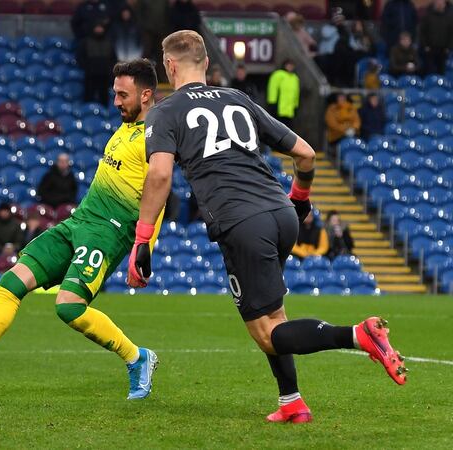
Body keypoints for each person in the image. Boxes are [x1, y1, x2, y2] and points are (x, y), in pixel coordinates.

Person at [131, 30, 406, 424]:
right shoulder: (238, 99)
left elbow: (159, 176)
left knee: (266, 332)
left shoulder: (165, 110)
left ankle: (358, 335)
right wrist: (300, 200)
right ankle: (291, 401)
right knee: (273, 313)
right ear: (206, 63)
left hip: (241, 221)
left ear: (169, 66)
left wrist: (142, 239)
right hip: (280, 212)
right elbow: (306, 154)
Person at [0, 59, 164, 399]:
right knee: (12, 281)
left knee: (69, 306)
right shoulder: (125, 129)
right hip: (79, 222)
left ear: (146, 95)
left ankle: (137, 357)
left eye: (122, 95)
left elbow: (160, 195)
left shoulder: (155, 139)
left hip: (108, 232)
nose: (115, 102)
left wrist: (144, 249)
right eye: (114, 94)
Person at [77, 23, 117, 105]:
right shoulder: (86, 42)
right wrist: (87, 67)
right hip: (90, 74)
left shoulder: (109, 42)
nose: (99, 30)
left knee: (104, 98)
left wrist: (109, 69)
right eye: (97, 27)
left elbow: (113, 59)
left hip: (104, 75)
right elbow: (80, 57)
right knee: (89, 97)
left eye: (101, 27)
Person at [136, 0, 171, 80]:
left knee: (161, 54)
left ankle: (162, 77)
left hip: (161, 30)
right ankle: (142, 76)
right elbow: (139, 14)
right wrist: (142, 27)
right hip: (147, 31)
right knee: (146, 53)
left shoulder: (164, 2)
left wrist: (167, 30)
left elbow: (167, 14)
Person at [419, 0, 453, 75]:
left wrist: (449, 47)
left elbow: (451, 34)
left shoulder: (449, 18)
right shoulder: (428, 16)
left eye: (441, 3)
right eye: (438, 3)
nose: (439, 5)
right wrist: (425, 46)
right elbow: (422, 32)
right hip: (430, 49)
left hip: (444, 49)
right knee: (430, 70)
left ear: (444, 5)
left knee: (442, 71)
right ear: (434, 4)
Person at [266, 59, 300, 129]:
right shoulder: (278, 75)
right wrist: (272, 103)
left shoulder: (295, 78)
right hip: (279, 109)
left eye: (292, 65)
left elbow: (296, 94)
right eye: (289, 65)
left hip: (289, 111)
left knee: (288, 129)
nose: (290, 67)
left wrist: (295, 106)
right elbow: (273, 89)